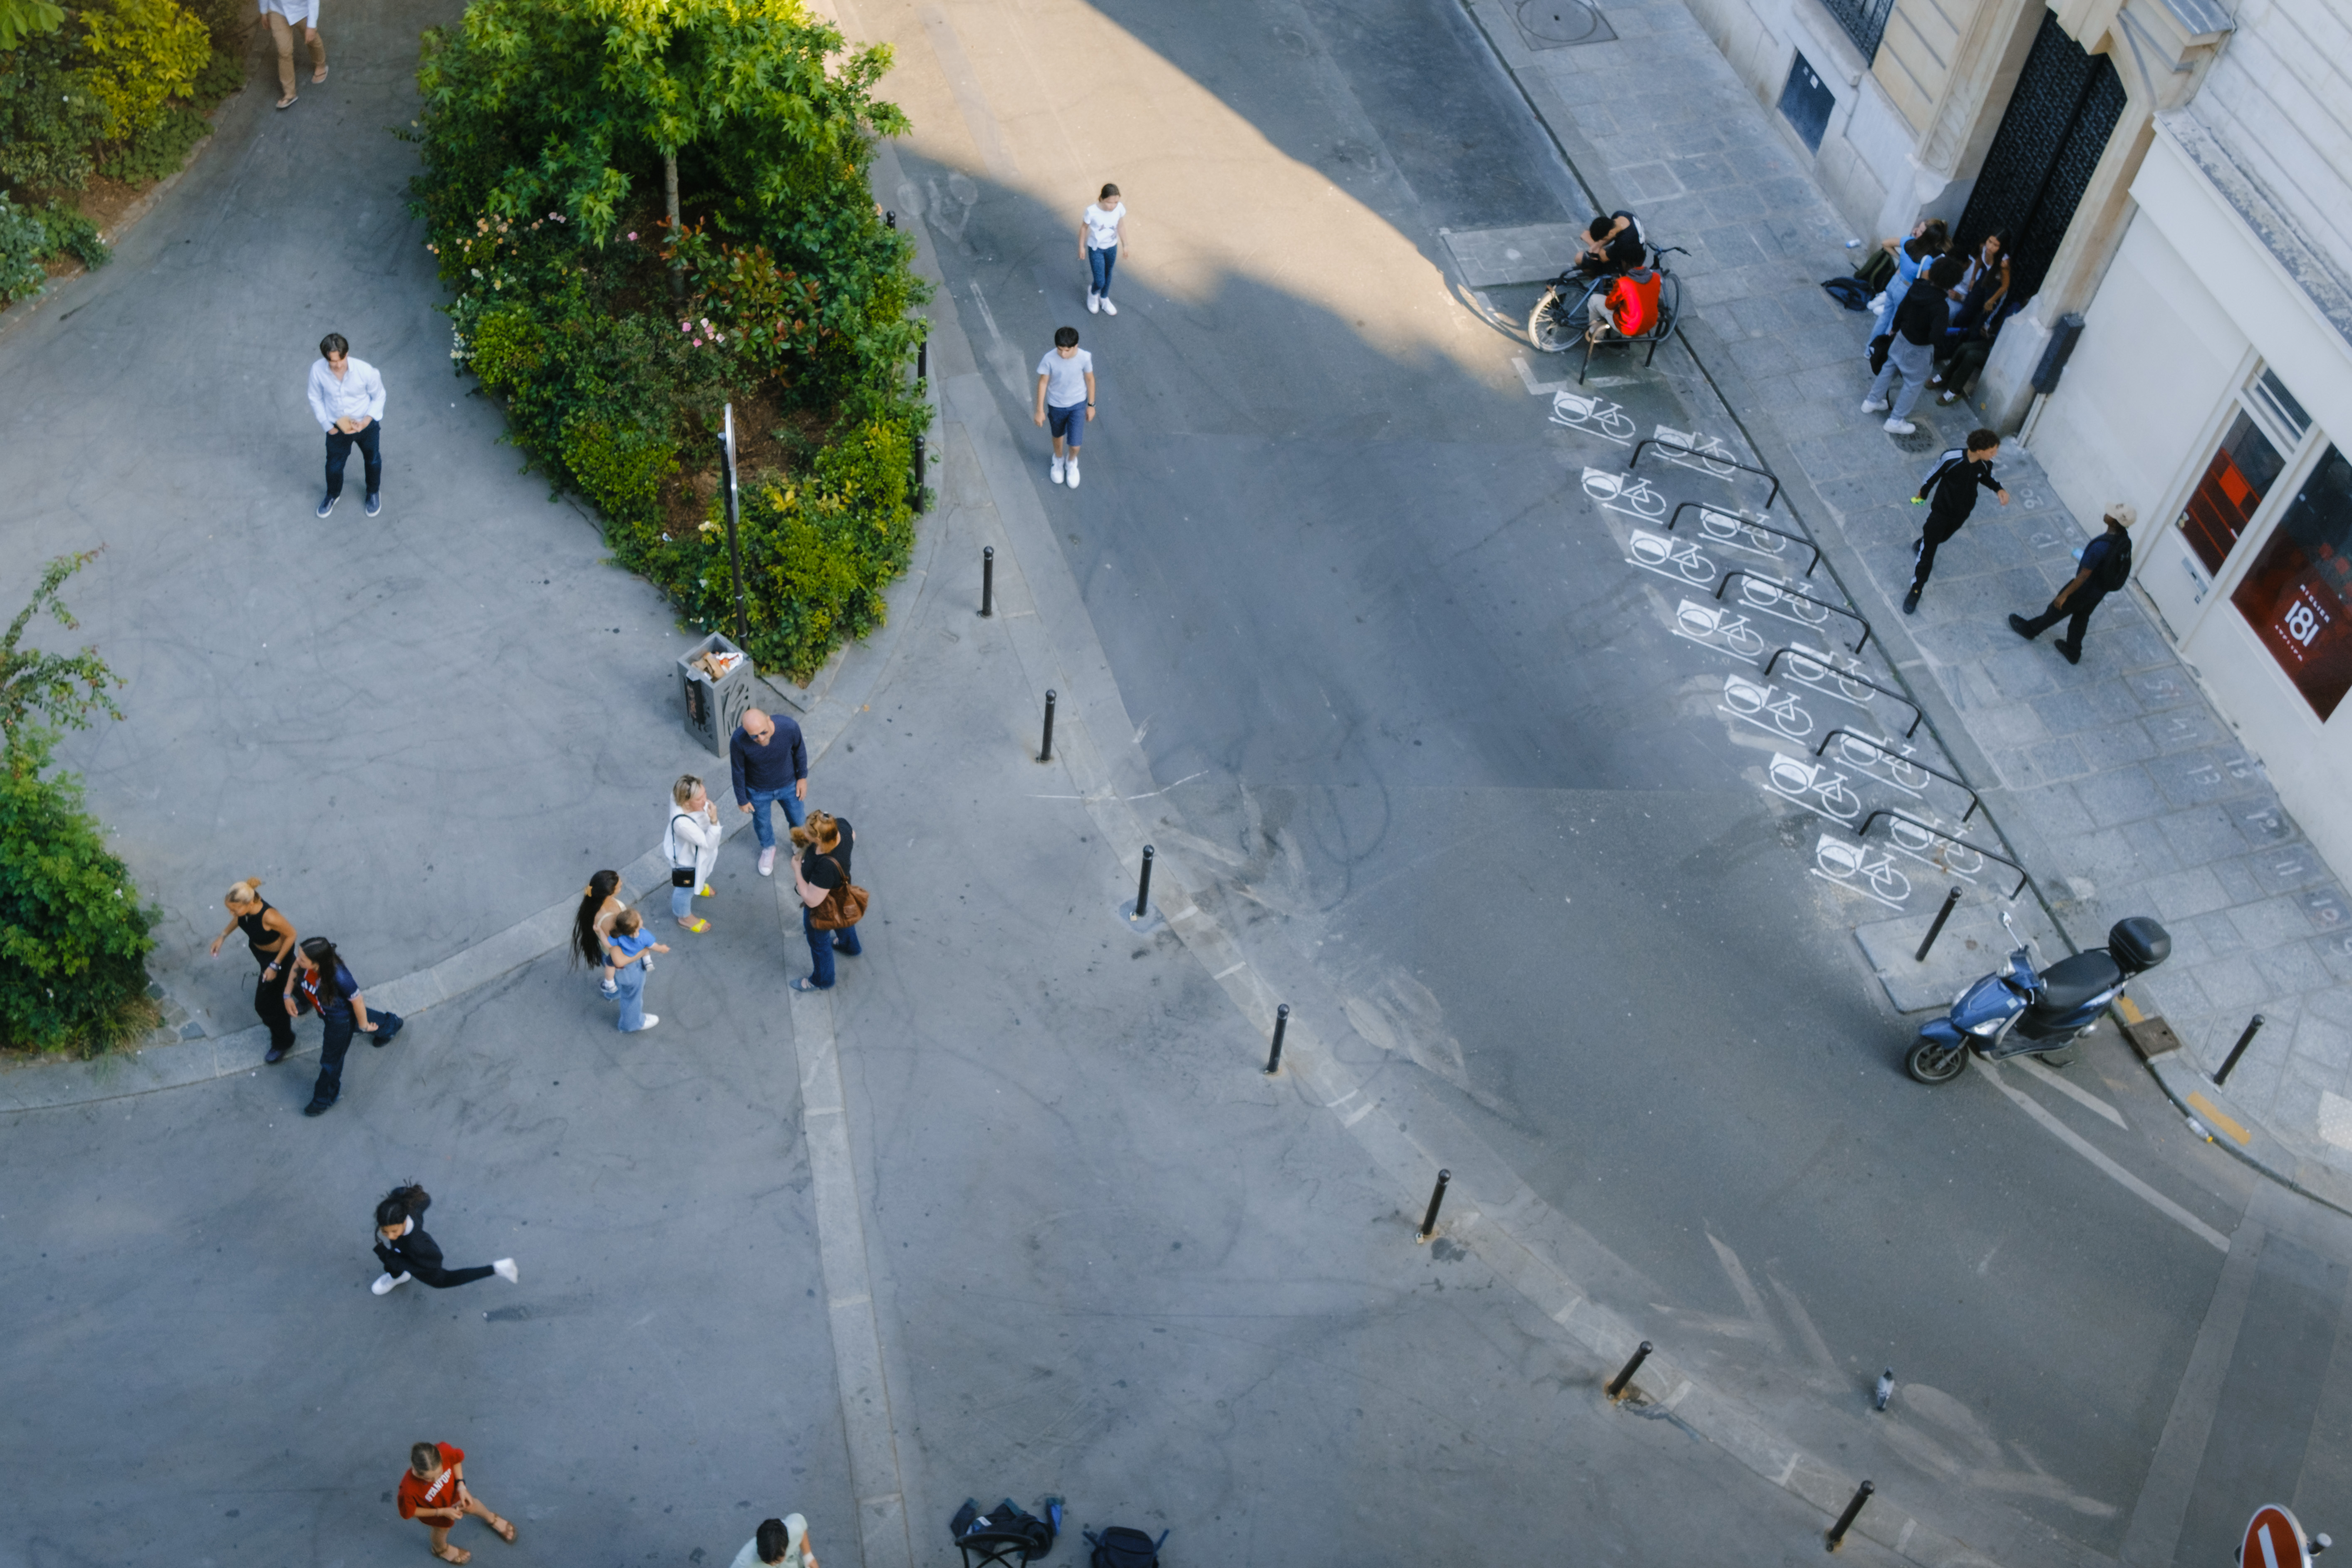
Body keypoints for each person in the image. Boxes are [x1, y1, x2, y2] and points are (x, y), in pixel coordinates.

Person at [283, 935, 400, 1116]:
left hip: (339, 1022)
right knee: (362, 1019)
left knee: (330, 1062)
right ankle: (391, 1026)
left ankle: (324, 1099)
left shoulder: (340, 976)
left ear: (317, 963)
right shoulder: (308, 964)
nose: (298, 961)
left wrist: (363, 1027)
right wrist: (287, 995)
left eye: (303, 959)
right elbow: (296, 967)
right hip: (333, 1014)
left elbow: (358, 1001)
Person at [2010, 504, 2136, 664]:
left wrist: (2064, 595)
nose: (2107, 513)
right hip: (2099, 590)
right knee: (2081, 618)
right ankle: (2073, 651)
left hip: (2083, 589)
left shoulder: (2100, 547)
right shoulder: (2124, 540)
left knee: (2056, 610)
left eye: (2111, 514)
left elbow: (2084, 576)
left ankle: (2030, 630)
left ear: (2114, 522)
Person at [1904, 429, 2010, 613]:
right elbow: (1933, 475)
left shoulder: (1985, 464)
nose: (1995, 455)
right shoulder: (1951, 458)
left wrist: (1999, 489)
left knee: (1942, 538)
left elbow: (1986, 478)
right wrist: (1923, 494)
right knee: (1928, 554)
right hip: (1941, 512)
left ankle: (1922, 543)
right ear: (1979, 450)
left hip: (1962, 513)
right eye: (1992, 451)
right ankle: (1916, 589)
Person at [1862, 254, 1964, 435]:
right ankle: (1895, 420)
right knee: (1913, 383)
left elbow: (1902, 310)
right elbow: (1935, 336)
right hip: (1919, 350)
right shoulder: (1941, 307)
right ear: (1952, 283)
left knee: (1889, 367)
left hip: (1901, 337)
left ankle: (1871, 401)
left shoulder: (1917, 287)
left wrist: (1894, 328)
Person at [208, 878, 299, 1064]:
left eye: (234, 909)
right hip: (263, 954)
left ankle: (284, 1041)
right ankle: (305, 994)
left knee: (266, 1006)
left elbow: (292, 935)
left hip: (276, 960)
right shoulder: (246, 910)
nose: (231, 913)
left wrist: (275, 965)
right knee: (293, 978)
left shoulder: (269, 917)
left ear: (250, 903)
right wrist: (222, 937)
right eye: (230, 909)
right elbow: (239, 919)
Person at [370, 1184, 518, 1296]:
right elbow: (425, 1201)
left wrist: (390, 1258)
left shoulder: (417, 1245)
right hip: (403, 1252)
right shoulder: (408, 1210)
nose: (390, 1236)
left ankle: (497, 1269)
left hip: (421, 1262)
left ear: (403, 1222)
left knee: (443, 1281)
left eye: (394, 1231)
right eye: (385, 1231)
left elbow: (434, 1261)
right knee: (394, 1255)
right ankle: (397, 1275)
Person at [397, 1442, 516, 1564]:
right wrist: (442, 1512)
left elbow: (456, 1461)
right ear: (415, 1470)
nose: (436, 1480)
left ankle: (492, 1518)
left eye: (440, 1473)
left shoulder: (445, 1450)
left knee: (471, 1505)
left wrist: (461, 1485)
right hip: (435, 1510)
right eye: (429, 1479)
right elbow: (410, 1512)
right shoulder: (408, 1489)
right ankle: (440, 1549)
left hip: (454, 1493)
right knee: (442, 1529)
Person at [307, 333, 384, 518]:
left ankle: (373, 492)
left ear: (347, 353)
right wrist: (328, 426)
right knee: (334, 465)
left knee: (372, 459)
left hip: (365, 424)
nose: (338, 365)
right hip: (337, 427)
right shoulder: (318, 371)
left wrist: (366, 421)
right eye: (333, 362)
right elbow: (315, 397)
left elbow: (380, 396)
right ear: (326, 359)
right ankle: (333, 495)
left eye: (341, 359)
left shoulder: (365, 371)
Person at [787, 810, 861, 993]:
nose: (804, 833)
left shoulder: (826, 866)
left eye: (808, 832)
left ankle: (822, 979)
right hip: (843, 896)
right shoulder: (842, 829)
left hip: (823, 910)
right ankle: (850, 946)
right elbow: (853, 835)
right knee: (843, 921)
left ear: (819, 839)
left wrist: (797, 869)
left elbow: (812, 900)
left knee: (819, 943)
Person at [730, 708, 808, 878]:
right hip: (758, 790)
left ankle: (799, 845)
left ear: (769, 720)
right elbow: (738, 770)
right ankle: (768, 848)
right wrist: (742, 799)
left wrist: (802, 777)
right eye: (754, 736)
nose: (761, 738)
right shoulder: (738, 740)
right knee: (762, 823)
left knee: (799, 819)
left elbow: (799, 750)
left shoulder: (789, 727)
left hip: (789, 784)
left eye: (763, 732)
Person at [1866, 220, 1948, 372]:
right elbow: (1923, 282)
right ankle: (1880, 354)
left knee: (1884, 317)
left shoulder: (1907, 242)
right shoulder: (1927, 260)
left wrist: (1899, 257)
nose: (1917, 231)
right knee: (1893, 324)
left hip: (1894, 282)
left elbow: (1886, 243)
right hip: (1905, 290)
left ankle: (1869, 350)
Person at [1033, 327, 1096, 490]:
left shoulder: (1084, 357)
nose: (1063, 354)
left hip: (1077, 404)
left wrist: (1091, 405)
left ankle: (1071, 462)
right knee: (1058, 436)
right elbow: (1043, 383)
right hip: (1056, 404)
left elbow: (1090, 379)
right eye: (1060, 350)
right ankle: (1059, 459)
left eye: (1067, 351)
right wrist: (1040, 410)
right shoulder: (1049, 359)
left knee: (1075, 444)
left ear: (1076, 346)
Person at [666, 775, 722, 932]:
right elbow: (709, 843)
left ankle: (699, 883)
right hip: (689, 862)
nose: (706, 800)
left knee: (696, 881)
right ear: (686, 802)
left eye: (705, 794)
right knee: (685, 890)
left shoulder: (677, 796)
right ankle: (684, 917)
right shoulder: (683, 825)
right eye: (700, 799)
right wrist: (714, 820)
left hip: (692, 853)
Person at [606, 909, 667, 1033]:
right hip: (632, 968)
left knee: (613, 971)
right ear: (637, 927)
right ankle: (631, 1024)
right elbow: (653, 946)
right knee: (632, 996)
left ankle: (611, 991)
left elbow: (608, 943)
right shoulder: (644, 936)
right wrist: (662, 949)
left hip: (620, 970)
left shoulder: (617, 936)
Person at [258, 0, 325, 111]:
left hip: (302, 11)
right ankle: (290, 94)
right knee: (284, 51)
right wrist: (264, 12)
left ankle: (320, 64)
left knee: (312, 39)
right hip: (277, 11)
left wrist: (312, 26)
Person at [572, 870, 626, 998]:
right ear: (609, 893)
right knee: (619, 976)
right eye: (619, 884)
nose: (622, 882)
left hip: (608, 951)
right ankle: (612, 994)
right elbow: (615, 945)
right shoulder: (607, 920)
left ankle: (612, 987)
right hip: (615, 954)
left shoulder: (600, 904)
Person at [1079, 183, 1130, 316]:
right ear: (1102, 198)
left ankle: (1104, 298)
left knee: (1109, 273)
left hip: (1112, 247)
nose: (1113, 206)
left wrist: (1125, 244)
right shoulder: (1092, 211)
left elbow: (1121, 226)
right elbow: (1084, 228)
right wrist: (1082, 247)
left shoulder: (1119, 209)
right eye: (1110, 203)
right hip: (1096, 248)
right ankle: (1093, 293)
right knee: (1100, 280)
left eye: (1116, 202)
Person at [1585, 266, 1661, 345]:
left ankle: (1598, 338)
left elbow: (1609, 306)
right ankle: (1625, 339)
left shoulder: (1623, 282)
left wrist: (1617, 287)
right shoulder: (1656, 277)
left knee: (1594, 299)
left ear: (1625, 263)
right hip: (1649, 325)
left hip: (1628, 328)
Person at [1573, 211, 1645, 278]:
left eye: (1604, 239)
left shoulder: (1625, 241)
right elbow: (1610, 236)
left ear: (1611, 233)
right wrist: (1597, 246)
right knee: (1594, 254)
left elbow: (1605, 258)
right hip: (1632, 252)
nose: (1603, 241)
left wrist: (1589, 240)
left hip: (1629, 264)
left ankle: (1604, 286)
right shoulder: (1620, 215)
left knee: (1580, 259)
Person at [731, 1514, 820, 1568]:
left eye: (776, 1561)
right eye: (768, 1562)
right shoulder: (744, 1565)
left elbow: (800, 1524)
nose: (772, 1565)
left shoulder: (793, 1530)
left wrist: (808, 1557)